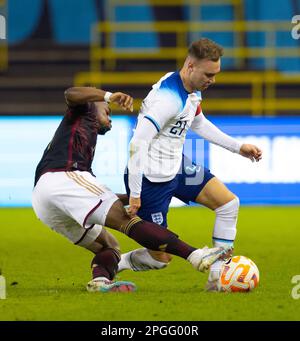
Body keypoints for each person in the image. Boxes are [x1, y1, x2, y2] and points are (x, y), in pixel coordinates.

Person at [32, 86, 231, 293]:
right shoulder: (83, 108)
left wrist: (130, 196)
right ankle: (195, 255)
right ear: (95, 102)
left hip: (44, 199)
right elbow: (70, 93)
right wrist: (108, 96)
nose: (110, 119)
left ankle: (100, 281)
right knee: (127, 221)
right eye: (107, 112)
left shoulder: (81, 137)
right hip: (63, 178)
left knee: (109, 246)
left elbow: (86, 197)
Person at [119, 38, 263, 292]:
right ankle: (117, 262)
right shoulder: (168, 99)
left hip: (177, 167)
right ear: (190, 66)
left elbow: (198, 123)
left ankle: (217, 277)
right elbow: (137, 143)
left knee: (228, 204)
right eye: (208, 74)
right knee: (159, 259)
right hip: (151, 179)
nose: (212, 80)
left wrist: (238, 147)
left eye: (216, 74)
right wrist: (136, 194)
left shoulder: (191, 91)